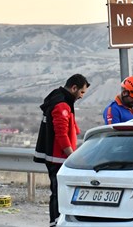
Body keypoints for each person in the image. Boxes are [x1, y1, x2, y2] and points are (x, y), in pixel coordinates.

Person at [33, 74, 90, 227]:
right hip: (59, 159)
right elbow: (61, 134)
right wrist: (72, 156)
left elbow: (67, 128)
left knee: (60, 192)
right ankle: (56, 223)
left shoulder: (61, 99)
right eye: (82, 92)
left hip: (57, 158)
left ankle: (59, 222)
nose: (81, 96)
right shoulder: (62, 105)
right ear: (74, 88)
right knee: (59, 193)